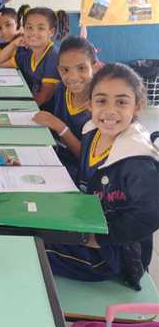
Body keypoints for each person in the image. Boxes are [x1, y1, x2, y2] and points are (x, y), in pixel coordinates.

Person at [45, 63, 159, 291]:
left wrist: (96, 239)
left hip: (114, 254)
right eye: (101, 100)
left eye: (121, 102)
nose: (110, 111)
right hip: (86, 224)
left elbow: (149, 217)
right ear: (90, 104)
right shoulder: (92, 133)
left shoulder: (138, 161)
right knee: (27, 228)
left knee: (33, 249)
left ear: (137, 106)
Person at [33, 36, 97, 179]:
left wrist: (61, 128)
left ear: (94, 66)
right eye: (65, 70)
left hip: (79, 175)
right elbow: (45, 118)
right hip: (53, 157)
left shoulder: (101, 105)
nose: (73, 77)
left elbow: (89, 159)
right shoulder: (61, 89)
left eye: (81, 68)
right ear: (58, 70)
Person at [0, 7, 69, 109]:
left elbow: (45, 96)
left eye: (41, 28)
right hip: (32, 105)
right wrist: (14, 44)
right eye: (29, 28)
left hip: (46, 113)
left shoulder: (53, 56)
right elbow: (1, 62)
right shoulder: (29, 52)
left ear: (51, 32)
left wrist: (21, 109)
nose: (33, 33)